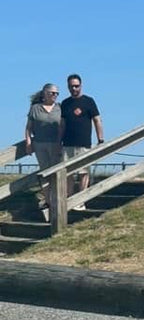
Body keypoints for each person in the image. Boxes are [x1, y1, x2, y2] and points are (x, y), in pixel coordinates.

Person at [59, 73, 104, 201]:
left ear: (81, 85)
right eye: (71, 86)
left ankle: (81, 200)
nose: (74, 89)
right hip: (67, 144)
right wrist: (59, 141)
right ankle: (69, 199)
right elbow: (62, 124)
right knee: (68, 173)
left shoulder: (89, 101)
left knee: (83, 172)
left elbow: (97, 120)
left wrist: (100, 139)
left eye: (76, 86)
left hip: (84, 143)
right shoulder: (65, 103)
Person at [25, 83, 62, 215]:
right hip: (40, 144)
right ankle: (48, 200)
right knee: (44, 172)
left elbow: (62, 126)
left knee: (56, 172)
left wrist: (59, 142)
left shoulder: (59, 107)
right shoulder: (35, 108)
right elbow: (28, 128)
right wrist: (28, 143)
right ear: (45, 93)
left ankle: (57, 200)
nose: (55, 95)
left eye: (57, 93)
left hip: (56, 144)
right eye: (52, 93)